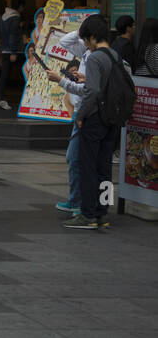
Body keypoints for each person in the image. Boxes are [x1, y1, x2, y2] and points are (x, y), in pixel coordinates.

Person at [62, 15, 128, 230]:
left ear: (91, 37)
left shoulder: (94, 58)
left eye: (86, 40)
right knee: (105, 168)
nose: (85, 45)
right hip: (112, 119)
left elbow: (92, 92)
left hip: (94, 119)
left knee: (88, 166)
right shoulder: (115, 55)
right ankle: (103, 213)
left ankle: (87, 214)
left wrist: (80, 116)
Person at [47, 28, 92, 217]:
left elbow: (89, 90)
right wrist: (82, 31)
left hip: (87, 114)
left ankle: (82, 205)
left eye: (84, 36)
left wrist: (62, 81)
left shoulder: (96, 57)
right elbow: (64, 42)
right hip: (83, 114)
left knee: (77, 159)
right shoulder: (89, 52)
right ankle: (83, 204)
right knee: (75, 158)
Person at [0, 0, 25, 110]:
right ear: (20, 6)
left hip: (5, 49)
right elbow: (13, 35)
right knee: (25, 73)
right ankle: (27, 99)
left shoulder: (3, 16)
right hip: (14, 50)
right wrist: (13, 51)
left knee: (4, 75)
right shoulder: (15, 18)